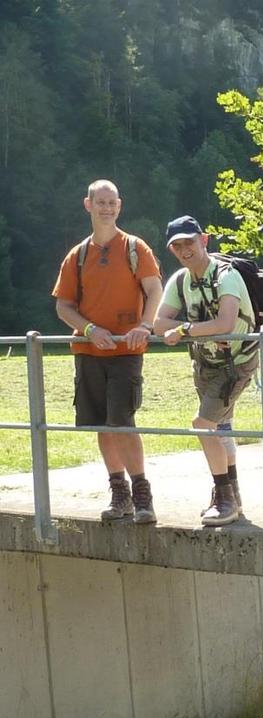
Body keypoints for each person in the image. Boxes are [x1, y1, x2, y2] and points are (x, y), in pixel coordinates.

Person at [52, 179, 163, 524]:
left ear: (120, 205)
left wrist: (144, 326)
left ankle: (143, 495)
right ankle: (119, 494)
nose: (106, 208)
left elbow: (154, 289)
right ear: (88, 205)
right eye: (100, 202)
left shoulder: (135, 247)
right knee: (101, 424)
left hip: (126, 350)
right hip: (88, 350)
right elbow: (64, 307)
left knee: (122, 422)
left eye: (112, 202)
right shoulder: (78, 255)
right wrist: (89, 330)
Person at [154, 216, 259, 526]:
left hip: (236, 363)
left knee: (203, 425)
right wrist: (189, 329)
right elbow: (159, 324)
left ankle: (223, 495)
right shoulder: (180, 280)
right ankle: (233, 495)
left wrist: (185, 329)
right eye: (178, 245)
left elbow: (225, 325)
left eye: (190, 241)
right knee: (220, 429)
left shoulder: (227, 276)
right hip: (206, 364)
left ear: (204, 239)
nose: (185, 250)